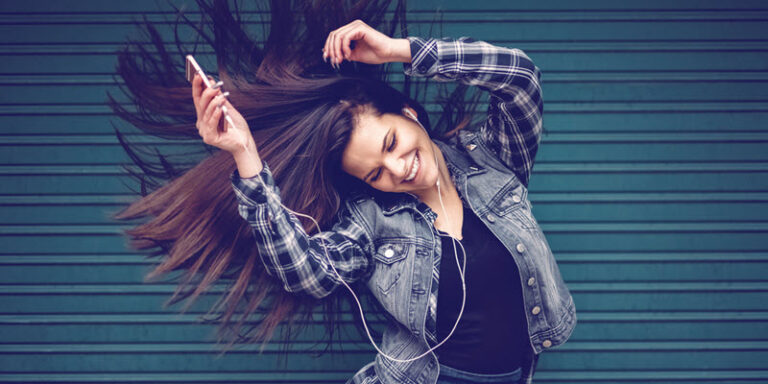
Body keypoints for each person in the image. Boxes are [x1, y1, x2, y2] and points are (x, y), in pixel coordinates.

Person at [111, 1, 576, 383]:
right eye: (375, 174)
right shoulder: (375, 223)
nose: (397, 168)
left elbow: (520, 78)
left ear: (409, 114)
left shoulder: (492, 159)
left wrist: (401, 51)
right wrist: (246, 155)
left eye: (391, 143)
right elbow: (305, 272)